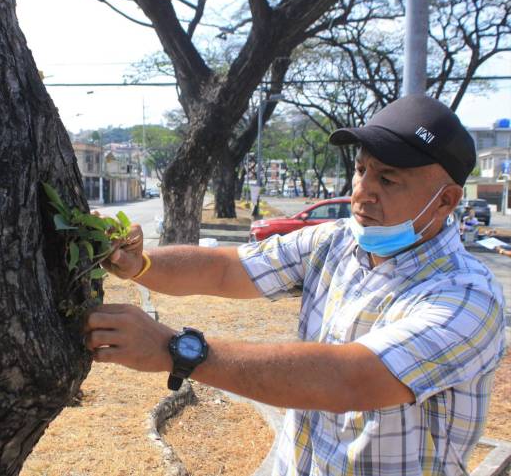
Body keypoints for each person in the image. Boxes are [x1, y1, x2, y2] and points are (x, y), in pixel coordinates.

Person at [84, 95, 506, 476]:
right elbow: (225, 268)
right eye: (361, 170)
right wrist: (140, 264)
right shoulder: (335, 241)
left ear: (447, 201)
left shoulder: (466, 295)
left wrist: (174, 350)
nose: (361, 193)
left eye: (388, 180)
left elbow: (349, 381)